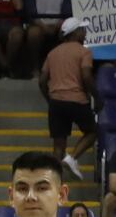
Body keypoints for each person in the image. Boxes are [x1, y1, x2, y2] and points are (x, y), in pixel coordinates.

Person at [37, 18, 98, 177]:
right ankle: (72, 158)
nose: (85, 33)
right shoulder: (84, 51)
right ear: (75, 33)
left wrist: (49, 98)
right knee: (92, 132)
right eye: (82, 30)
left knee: (58, 145)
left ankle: (55, 183)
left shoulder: (53, 53)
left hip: (56, 102)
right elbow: (86, 75)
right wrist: (96, 96)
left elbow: (42, 81)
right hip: (76, 99)